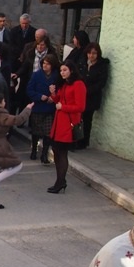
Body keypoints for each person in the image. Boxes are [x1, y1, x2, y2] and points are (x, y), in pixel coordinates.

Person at [0, 93, 33, 209]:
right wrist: (27, 109)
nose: (5, 102)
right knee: (17, 165)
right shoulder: (1, 115)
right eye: (3, 101)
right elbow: (18, 120)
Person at [47, 60, 86, 193]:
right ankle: (60, 180)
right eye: (61, 70)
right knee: (56, 150)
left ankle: (60, 182)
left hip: (68, 124)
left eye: (65, 70)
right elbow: (58, 99)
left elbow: (80, 106)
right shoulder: (65, 84)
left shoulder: (78, 84)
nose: (62, 73)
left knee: (62, 152)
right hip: (59, 123)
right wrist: (53, 94)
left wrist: (63, 107)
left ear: (71, 70)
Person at [26, 53, 59, 164]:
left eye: (48, 64)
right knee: (36, 131)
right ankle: (34, 150)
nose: (45, 65)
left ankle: (44, 154)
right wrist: (40, 96)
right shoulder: (36, 75)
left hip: (50, 108)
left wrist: (52, 98)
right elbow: (29, 90)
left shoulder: (56, 76)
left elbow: (59, 91)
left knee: (48, 132)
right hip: (38, 107)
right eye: (44, 63)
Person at [77, 42, 109, 150]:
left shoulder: (101, 66)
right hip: (80, 95)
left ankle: (84, 142)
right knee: (78, 118)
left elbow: (101, 83)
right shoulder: (83, 63)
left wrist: (87, 90)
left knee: (87, 119)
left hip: (92, 97)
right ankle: (76, 139)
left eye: (94, 53)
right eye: (89, 53)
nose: (91, 56)